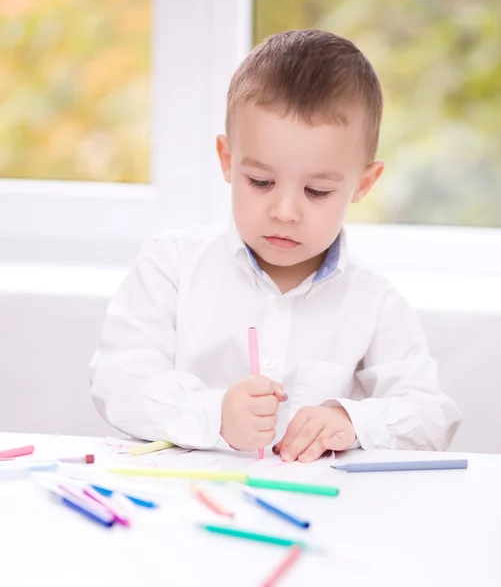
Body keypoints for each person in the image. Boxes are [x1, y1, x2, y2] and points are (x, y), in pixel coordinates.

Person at [89, 30, 461, 463]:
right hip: (186, 507)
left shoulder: (374, 302)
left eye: (317, 191)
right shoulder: (171, 265)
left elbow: (433, 416)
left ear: (363, 184)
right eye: (261, 182)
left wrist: (352, 420)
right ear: (228, 160)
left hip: (317, 515)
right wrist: (214, 414)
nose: (285, 211)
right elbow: (119, 380)